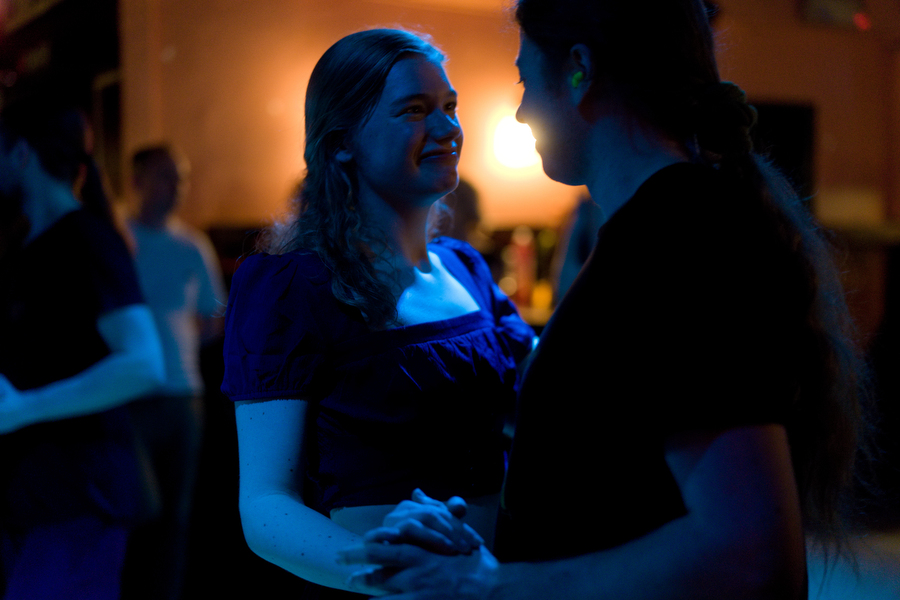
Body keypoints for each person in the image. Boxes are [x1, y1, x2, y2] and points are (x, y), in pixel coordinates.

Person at [338, 1, 872, 599]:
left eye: (525, 81)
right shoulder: (651, 230)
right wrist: (479, 549)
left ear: (579, 70)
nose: (522, 111)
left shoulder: (678, 240)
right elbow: (619, 497)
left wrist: (491, 585)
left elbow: (751, 554)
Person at [220, 29, 535, 598]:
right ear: (343, 141)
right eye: (414, 110)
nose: (447, 128)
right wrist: (383, 571)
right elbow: (265, 504)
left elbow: (545, 410)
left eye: (450, 107)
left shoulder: (465, 268)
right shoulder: (294, 286)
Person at [0, 98, 165, 599]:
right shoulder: (29, 248)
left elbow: (144, 363)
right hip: (40, 497)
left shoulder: (86, 240)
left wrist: (24, 408)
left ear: (22, 155)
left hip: (79, 496)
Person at [121, 144, 227, 600]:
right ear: (137, 181)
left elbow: (213, 315)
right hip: (128, 395)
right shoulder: (119, 239)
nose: (176, 187)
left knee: (175, 517)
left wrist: (181, 348)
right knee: (133, 509)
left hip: (183, 394)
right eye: (165, 176)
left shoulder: (192, 245)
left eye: (180, 177)